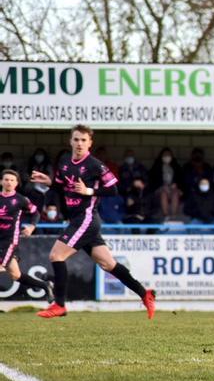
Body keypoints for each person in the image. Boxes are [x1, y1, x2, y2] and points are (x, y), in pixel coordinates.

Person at [30, 125, 156, 319]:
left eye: (83, 140)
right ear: (70, 141)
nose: (79, 143)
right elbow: (64, 187)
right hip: (78, 219)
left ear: (90, 143)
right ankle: (144, 293)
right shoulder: (64, 162)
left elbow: (114, 189)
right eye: (76, 139)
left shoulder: (95, 165)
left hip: (86, 219)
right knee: (108, 264)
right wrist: (49, 182)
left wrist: (89, 191)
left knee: (56, 255)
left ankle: (60, 305)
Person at [0, 170, 53, 302]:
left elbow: (36, 213)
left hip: (9, 241)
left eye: (12, 180)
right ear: (1, 181)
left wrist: (31, 226)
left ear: (16, 183)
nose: (9, 182)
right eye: (6, 179)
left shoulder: (21, 200)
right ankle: (45, 286)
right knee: (15, 275)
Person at [148, 147, 184, 220]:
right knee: (163, 193)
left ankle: (174, 216)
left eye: (169, 155)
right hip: (161, 190)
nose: (167, 157)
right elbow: (152, 180)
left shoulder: (176, 166)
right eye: (165, 155)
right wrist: (162, 186)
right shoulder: (156, 167)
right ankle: (166, 216)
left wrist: (176, 184)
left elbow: (181, 179)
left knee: (175, 193)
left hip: (173, 189)